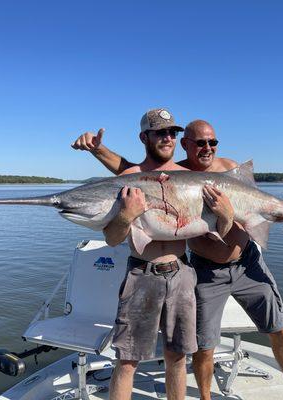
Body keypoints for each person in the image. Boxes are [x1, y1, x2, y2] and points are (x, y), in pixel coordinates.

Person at [72, 118, 283, 400]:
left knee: (280, 328)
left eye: (213, 142)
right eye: (200, 143)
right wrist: (98, 150)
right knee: (201, 346)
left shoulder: (229, 168)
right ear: (186, 145)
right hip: (205, 271)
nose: (208, 148)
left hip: (247, 262)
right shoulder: (174, 174)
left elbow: (258, 204)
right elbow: (130, 172)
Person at [98, 109, 234, 400]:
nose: (168, 138)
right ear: (144, 137)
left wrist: (225, 215)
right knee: (127, 361)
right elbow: (111, 239)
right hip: (141, 274)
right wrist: (125, 218)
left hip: (181, 273)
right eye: (160, 132)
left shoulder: (193, 179)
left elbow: (219, 229)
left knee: (177, 358)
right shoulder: (130, 179)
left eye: (172, 133)